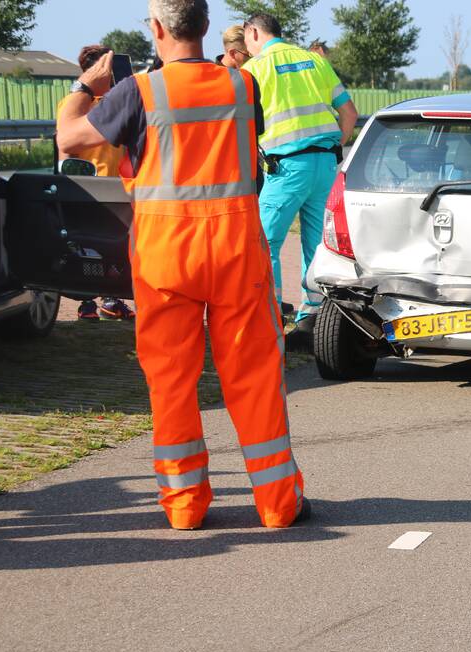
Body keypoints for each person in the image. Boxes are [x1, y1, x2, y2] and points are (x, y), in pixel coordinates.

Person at [56, 0, 307, 530]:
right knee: (255, 374)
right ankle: (279, 506)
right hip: (237, 247)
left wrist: (85, 88)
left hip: (166, 254)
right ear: (206, 27)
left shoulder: (138, 92)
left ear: (155, 28)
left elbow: (70, 139)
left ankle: (186, 507)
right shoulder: (243, 86)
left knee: (171, 381)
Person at [241, 13, 358, 351]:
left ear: (253, 32)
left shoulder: (253, 70)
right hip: (324, 162)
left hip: (285, 168)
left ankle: (271, 316)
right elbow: (348, 113)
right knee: (318, 245)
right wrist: (336, 147)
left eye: (246, 39)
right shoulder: (314, 61)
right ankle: (313, 317)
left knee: (264, 243)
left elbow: (244, 126)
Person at [56, 45, 136, 322]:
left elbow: (64, 148)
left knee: (86, 246)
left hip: (81, 185)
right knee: (115, 247)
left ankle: (87, 302)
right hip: (114, 185)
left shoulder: (70, 103)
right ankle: (111, 299)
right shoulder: (116, 103)